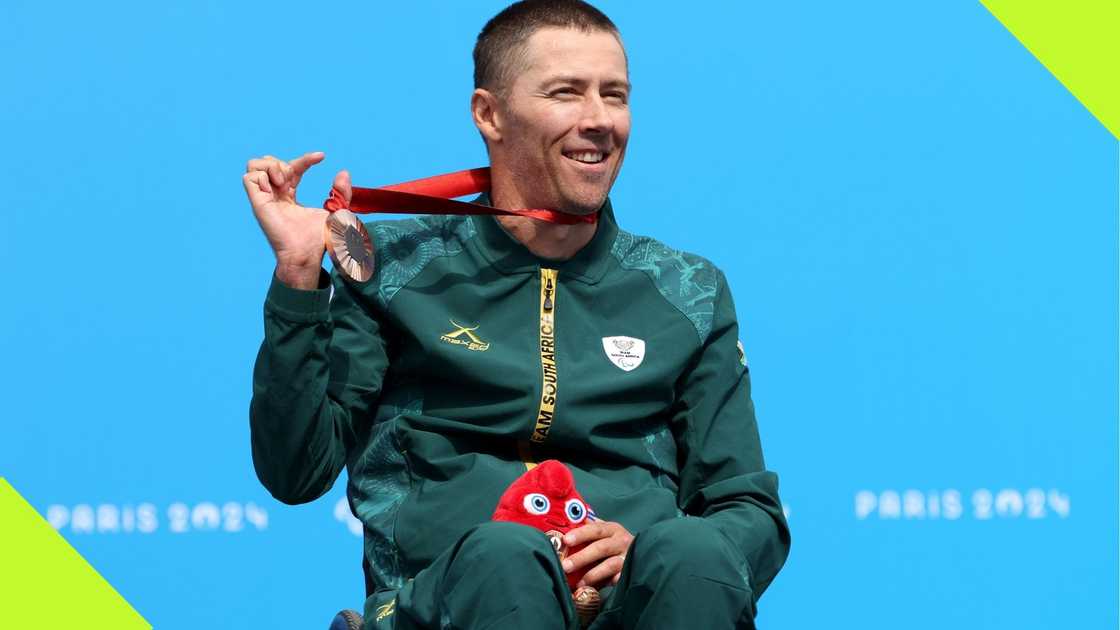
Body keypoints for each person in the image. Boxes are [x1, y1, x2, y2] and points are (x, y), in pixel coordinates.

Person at [242, 1, 790, 628]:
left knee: (692, 553)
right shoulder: (393, 268)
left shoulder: (684, 289)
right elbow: (296, 469)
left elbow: (745, 507)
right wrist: (297, 278)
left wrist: (641, 551)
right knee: (506, 556)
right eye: (566, 93)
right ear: (490, 114)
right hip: (450, 603)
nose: (599, 120)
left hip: (628, 609)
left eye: (615, 95)